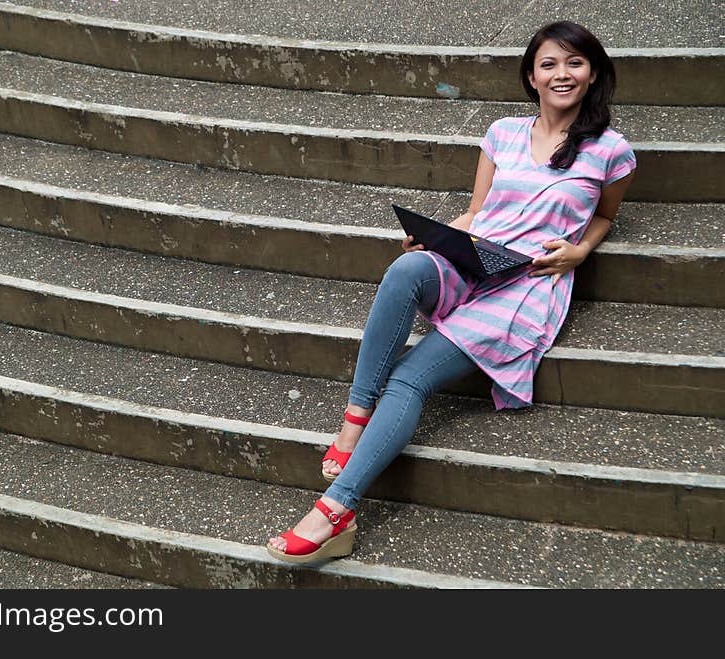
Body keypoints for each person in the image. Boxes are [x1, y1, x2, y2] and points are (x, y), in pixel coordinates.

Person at [267, 20, 637, 563]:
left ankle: (335, 512)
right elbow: (476, 212)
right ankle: (355, 417)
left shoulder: (610, 149)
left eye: (575, 63)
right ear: (531, 76)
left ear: (594, 72)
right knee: (406, 269)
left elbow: (605, 215)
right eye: (549, 64)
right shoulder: (502, 133)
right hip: (477, 257)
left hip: (526, 284)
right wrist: (437, 236)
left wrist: (581, 251)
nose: (562, 74)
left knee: (410, 376)